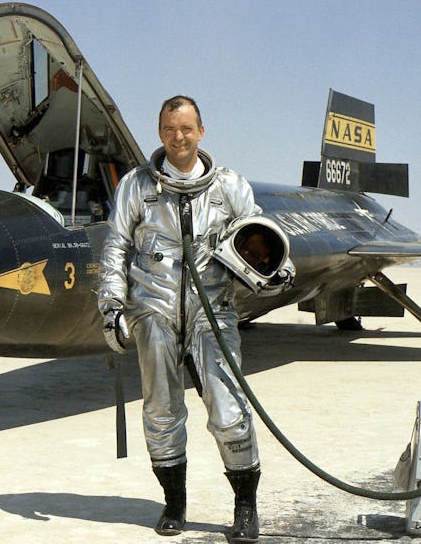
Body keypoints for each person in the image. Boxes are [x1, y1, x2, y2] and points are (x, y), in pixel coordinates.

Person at [97, 95, 292, 542]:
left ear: (201, 131)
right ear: (160, 133)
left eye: (186, 129)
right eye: (169, 130)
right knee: (162, 412)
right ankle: (174, 504)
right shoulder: (137, 186)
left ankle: (245, 507)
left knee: (229, 411)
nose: (178, 137)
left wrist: (278, 272)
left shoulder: (229, 187)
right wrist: (111, 305)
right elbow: (115, 247)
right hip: (154, 311)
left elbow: (258, 239)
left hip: (212, 313)